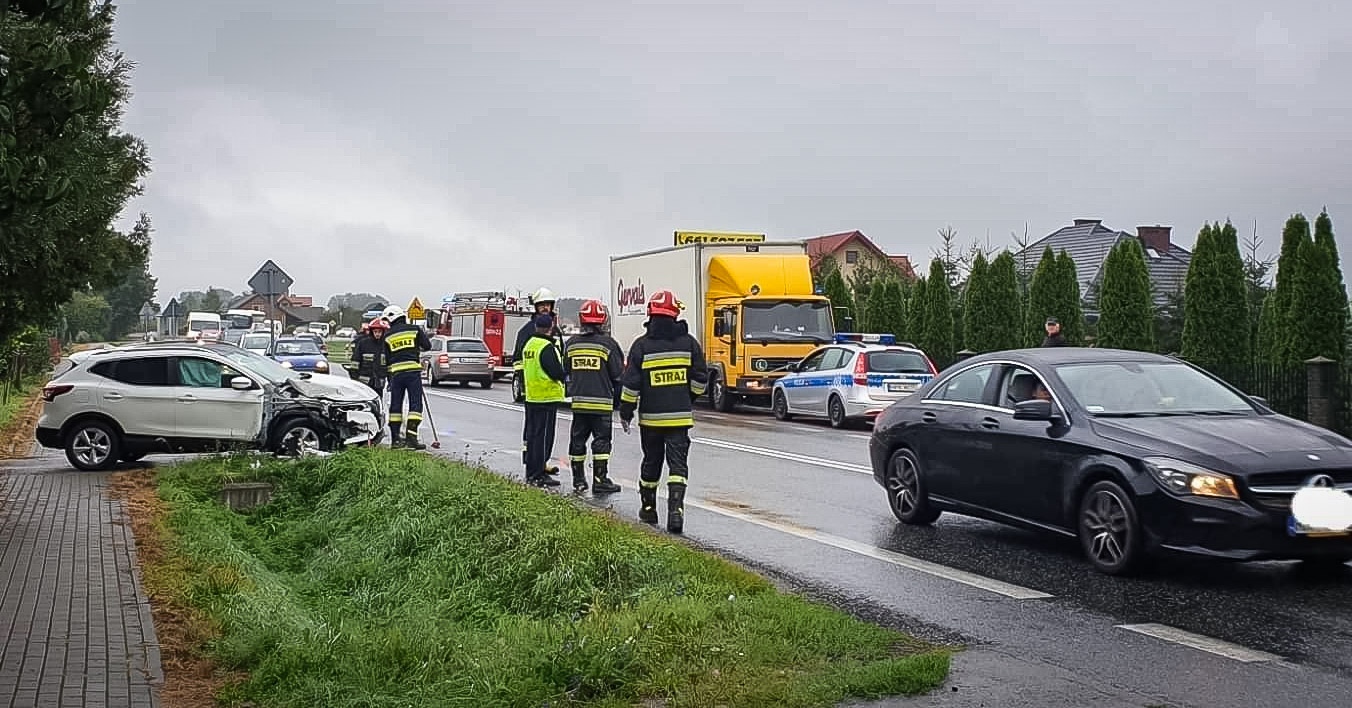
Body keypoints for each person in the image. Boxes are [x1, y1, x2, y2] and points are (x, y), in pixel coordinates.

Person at [618, 290, 708, 534]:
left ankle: (648, 508)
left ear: (650, 315)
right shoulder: (689, 343)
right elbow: (701, 379)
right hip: (679, 419)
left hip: (651, 421)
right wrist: (687, 398)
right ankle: (675, 512)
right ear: (675, 315)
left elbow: (631, 386)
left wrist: (626, 413)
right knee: (678, 466)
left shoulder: (641, 346)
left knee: (651, 462)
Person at [563, 299, 624, 494]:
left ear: (582, 320)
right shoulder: (609, 345)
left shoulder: (571, 344)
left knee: (577, 441)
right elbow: (618, 375)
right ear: (602, 321)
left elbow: (566, 370)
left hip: (579, 404)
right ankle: (600, 480)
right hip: (602, 405)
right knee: (602, 442)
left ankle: (578, 480)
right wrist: (620, 402)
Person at [514, 287, 565, 472]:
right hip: (535, 391)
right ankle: (533, 465)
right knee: (534, 433)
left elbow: (561, 354)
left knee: (546, 433)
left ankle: (541, 463)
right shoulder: (527, 331)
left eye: (547, 304)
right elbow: (519, 360)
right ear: (536, 307)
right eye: (541, 305)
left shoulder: (555, 330)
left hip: (549, 390)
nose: (545, 308)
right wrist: (523, 383)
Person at [522, 312, 567, 487]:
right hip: (546, 397)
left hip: (532, 396)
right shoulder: (546, 347)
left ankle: (531, 472)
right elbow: (556, 372)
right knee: (543, 439)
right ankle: (539, 474)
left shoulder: (530, 344)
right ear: (550, 328)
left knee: (533, 438)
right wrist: (565, 374)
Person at [381, 305, 432, 449]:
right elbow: (427, 345)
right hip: (412, 373)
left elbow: (386, 359)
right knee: (415, 405)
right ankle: (411, 438)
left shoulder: (387, 336)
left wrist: (389, 379)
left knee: (395, 406)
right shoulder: (414, 330)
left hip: (396, 374)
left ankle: (396, 440)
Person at [352, 318, 388, 396]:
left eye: (379, 332)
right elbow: (355, 361)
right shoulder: (363, 343)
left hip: (379, 382)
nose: (377, 334)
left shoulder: (386, 345)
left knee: (378, 401)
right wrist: (355, 378)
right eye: (375, 332)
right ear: (371, 332)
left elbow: (389, 364)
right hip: (364, 382)